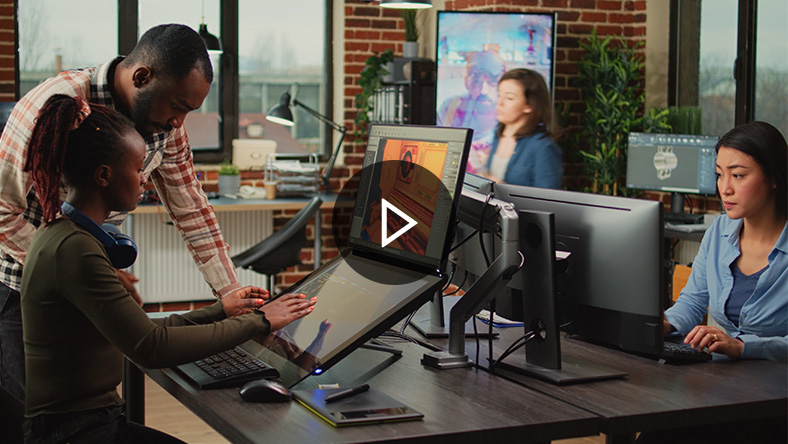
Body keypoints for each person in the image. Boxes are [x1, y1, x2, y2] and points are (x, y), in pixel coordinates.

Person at [20, 94, 318, 443]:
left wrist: (222, 310)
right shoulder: (76, 250)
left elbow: (144, 331)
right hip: (74, 432)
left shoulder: (66, 235)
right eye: (137, 169)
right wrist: (261, 320)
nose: (145, 179)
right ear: (104, 175)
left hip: (87, 423)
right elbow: (152, 347)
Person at [0, 24, 247, 403]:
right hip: (22, 288)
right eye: (178, 106)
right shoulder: (52, 104)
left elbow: (191, 208)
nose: (180, 122)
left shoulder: (165, 124)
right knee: (32, 416)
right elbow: (2, 210)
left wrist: (232, 294)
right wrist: (78, 266)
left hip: (89, 276)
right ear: (142, 77)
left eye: (190, 111)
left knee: (90, 406)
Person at [662, 121, 787, 363]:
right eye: (720, 175)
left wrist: (742, 346)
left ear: (773, 178)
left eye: (738, 175)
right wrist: (665, 324)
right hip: (725, 377)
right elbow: (692, 301)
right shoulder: (718, 231)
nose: (725, 188)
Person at [480, 68, 563, 189]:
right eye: (499, 95)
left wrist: (500, 188)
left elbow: (548, 201)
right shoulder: (498, 134)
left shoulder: (543, 147)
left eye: (509, 98)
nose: (499, 103)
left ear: (529, 105)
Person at [437, 50, 505, 174]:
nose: (484, 91)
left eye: (491, 81)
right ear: (466, 81)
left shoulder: (508, 115)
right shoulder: (450, 108)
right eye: (476, 80)